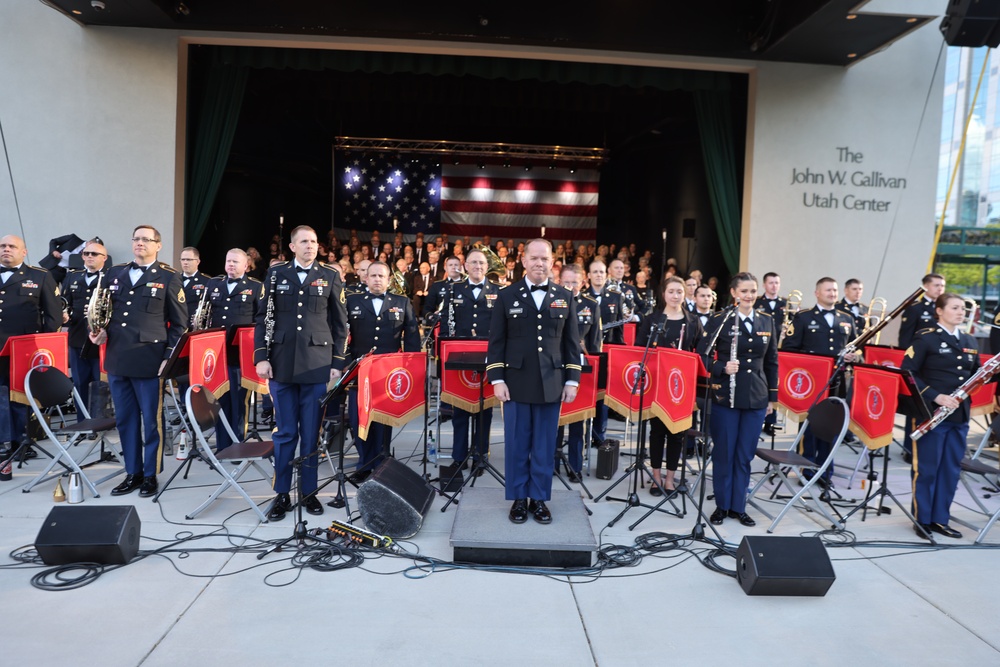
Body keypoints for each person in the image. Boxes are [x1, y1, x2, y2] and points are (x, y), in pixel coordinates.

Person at [254, 225, 348, 521]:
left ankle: (308, 493)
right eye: (304, 241)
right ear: (292, 247)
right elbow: (264, 318)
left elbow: (339, 323)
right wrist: (261, 357)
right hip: (281, 363)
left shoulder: (330, 276)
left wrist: (337, 361)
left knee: (310, 433)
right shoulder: (276, 274)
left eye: (314, 241)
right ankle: (282, 493)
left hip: (317, 364)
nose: (310, 246)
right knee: (284, 433)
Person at [487, 239, 582, 525]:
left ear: (552, 261)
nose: (540, 263)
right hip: (514, 382)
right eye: (534, 258)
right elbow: (496, 342)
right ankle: (518, 498)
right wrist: (497, 378)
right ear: (523, 261)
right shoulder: (506, 296)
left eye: (545, 258)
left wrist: (572, 380)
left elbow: (571, 344)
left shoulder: (565, 296)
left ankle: (539, 499)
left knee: (543, 445)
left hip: (552, 383)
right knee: (517, 443)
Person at [89, 226, 187, 497]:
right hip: (119, 357)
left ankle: (150, 474)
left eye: (146, 239)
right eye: (136, 239)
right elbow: (106, 312)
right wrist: (100, 332)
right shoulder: (115, 273)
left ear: (158, 245)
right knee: (125, 419)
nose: (140, 243)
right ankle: (132, 472)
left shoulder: (169, 277)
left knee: (151, 421)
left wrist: (168, 360)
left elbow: (180, 326)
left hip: (149, 360)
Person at [698, 272, 778, 526]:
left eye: (753, 291)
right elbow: (701, 356)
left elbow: (772, 362)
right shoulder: (720, 320)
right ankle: (722, 505)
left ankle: (738, 506)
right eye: (744, 291)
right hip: (726, 396)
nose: (749, 296)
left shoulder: (767, 321)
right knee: (724, 453)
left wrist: (772, 398)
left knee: (744, 455)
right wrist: (721, 367)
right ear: (733, 293)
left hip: (756, 395)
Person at [901, 292, 979, 540]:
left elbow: (976, 377)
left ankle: (940, 519)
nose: (960, 312)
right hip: (931, 414)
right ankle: (922, 519)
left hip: (959, 415)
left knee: (950, 470)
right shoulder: (926, 338)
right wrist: (934, 396)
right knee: (928, 469)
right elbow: (908, 372)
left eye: (963, 309)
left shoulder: (970, 340)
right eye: (955, 308)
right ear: (939, 311)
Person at [344, 261, 420, 480]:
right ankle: (364, 463)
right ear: (365, 278)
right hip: (359, 371)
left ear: (389, 280)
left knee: (384, 419)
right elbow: (342, 335)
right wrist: (347, 362)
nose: (377, 279)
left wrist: (410, 369)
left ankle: (382, 461)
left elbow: (412, 338)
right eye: (373, 275)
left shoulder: (402, 302)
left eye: (381, 276)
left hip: (388, 373)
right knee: (360, 419)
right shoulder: (352, 301)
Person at [780, 277, 859, 485]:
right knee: (810, 428)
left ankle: (824, 472)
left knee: (830, 429)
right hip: (811, 384)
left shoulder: (847, 318)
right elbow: (789, 349)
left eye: (834, 290)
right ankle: (807, 469)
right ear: (817, 293)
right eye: (827, 290)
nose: (832, 294)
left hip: (837, 383)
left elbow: (856, 347)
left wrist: (854, 357)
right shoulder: (803, 318)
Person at [637, 276, 703, 494]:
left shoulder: (693, 321)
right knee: (657, 432)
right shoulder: (652, 319)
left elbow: (701, 354)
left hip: (682, 388)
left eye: (679, 292)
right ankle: (656, 475)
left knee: (677, 433)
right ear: (663, 294)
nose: (675, 296)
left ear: (685, 295)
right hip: (657, 384)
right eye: (671, 291)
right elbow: (640, 351)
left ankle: (670, 478)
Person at [438, 249, 500, 473]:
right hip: (460, 357)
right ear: (465, 266)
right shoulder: (453, 289)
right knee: (460, 410)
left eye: (481, 263)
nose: (478, 266)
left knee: (485, 411)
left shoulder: (497, 290)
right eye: (473, 262)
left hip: (488, 357)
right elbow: (446, 322)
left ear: (487, 266)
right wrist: (444, 353)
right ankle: (459, 456)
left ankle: (480, 456)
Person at [0, 235, 62, 460]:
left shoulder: (40, 276)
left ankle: (21, 442)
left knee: (20, 398)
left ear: (23, 252)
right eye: (3, 246)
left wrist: (41, 347)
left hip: (22, 350)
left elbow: (54, 316)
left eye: (12, 246)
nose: (6, 250)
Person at [206, 249, 262, 451]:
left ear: (246, 265)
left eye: (235, 262)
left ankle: (237, 446)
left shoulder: (256, 287)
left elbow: (260, 320)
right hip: (216, 352)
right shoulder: (213, 284)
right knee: (220, 400)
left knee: (239, 402)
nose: (231, 265)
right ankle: (222, 446)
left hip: (240, 355)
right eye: (228, 261)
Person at [555, 264, 601, 482]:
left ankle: (575, 466)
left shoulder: (591, 305)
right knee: (554, 418)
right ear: (559, 281)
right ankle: (552, 463)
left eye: (575, 282)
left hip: (580, 369)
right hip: (554, 367)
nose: (571, 286)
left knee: (577, 421)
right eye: (566, 282)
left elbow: (595, 343)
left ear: (583, 283)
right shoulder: (551, 300)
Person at [898, 273, 947, 463]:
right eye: (936, 285)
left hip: (937, 366)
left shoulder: (944, 307)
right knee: (917, 407)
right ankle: (910, 449)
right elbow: (905, 339)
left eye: (942, 286)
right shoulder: (915, 309)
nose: (940, 289)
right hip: (919, 365)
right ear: (926, 286)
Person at [61, 240, 108, 414]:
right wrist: (64, 314)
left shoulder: (111, 277)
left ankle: (99, 422)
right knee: (80, 382)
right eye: (86, 254)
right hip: (77, 338)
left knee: (99, 383)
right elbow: (65, 303)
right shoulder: (73, 276)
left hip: (101, 340)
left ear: (104, 257)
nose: (89, 257)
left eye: (94, 254)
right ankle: (83, 423)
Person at [755, 272, 786, 437]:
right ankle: (759, 419)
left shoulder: (785, 304)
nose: (774, 286)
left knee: (775, 382)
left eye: (777, 283)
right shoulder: (758, 303)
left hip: (778, 349)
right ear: (764, 285)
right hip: (762, 347)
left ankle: (771, 422)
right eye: (771, 283)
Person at [179, 246, 210, 326]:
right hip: (176, 325)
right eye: (183, 259)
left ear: (198, 261)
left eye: (189, 259)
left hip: (194, 326)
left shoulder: (207, 281)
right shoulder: (174, 279)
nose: (185, 262)